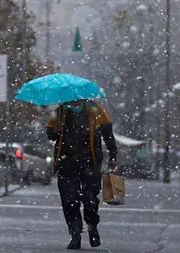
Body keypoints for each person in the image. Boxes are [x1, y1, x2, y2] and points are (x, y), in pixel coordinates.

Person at [46, 99, 117, 250]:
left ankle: (92, 226)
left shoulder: (95, 109)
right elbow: (50, 134)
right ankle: (75, 233)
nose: (74, 101)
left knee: (90, 197)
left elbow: (107, 132)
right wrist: (55, 131)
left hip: (90, 161)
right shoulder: (59, 112)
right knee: (68, 199)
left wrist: (113, 155)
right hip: (66, 162)